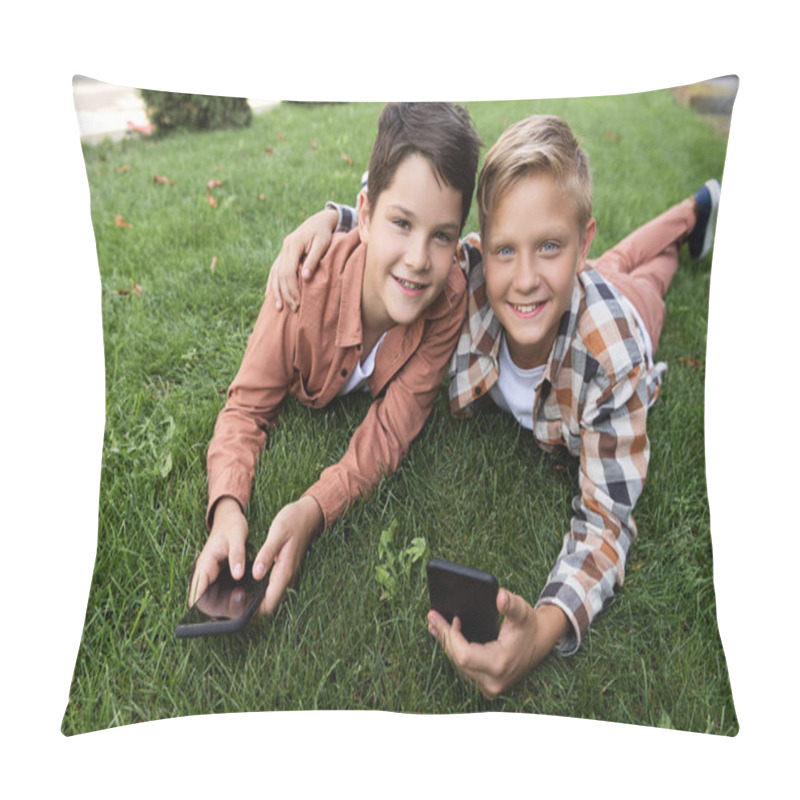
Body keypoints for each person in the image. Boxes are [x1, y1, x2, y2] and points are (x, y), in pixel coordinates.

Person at [267, 114, 721, 699]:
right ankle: (687, 214)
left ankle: (686, 227)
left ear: (578, 241)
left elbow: (607, 523)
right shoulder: (471, 270)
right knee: (616, 261)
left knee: (648, 278)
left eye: (551, 246)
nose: (525, 279)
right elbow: (409, 230)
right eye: (506, 249)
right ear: (481, 246)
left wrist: (545, 628)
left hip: (626, 310)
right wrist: (334, 219)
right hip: (586, 276)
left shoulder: (614, 359)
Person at [189, 102, 482, 617]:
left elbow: (391, 431)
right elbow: (246, 410)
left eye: (441, 235)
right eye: (401, 223)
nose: (418, 259)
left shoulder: (448, 297)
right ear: (364, 216)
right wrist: (227, 512)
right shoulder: (300, 288)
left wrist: (313, 510)